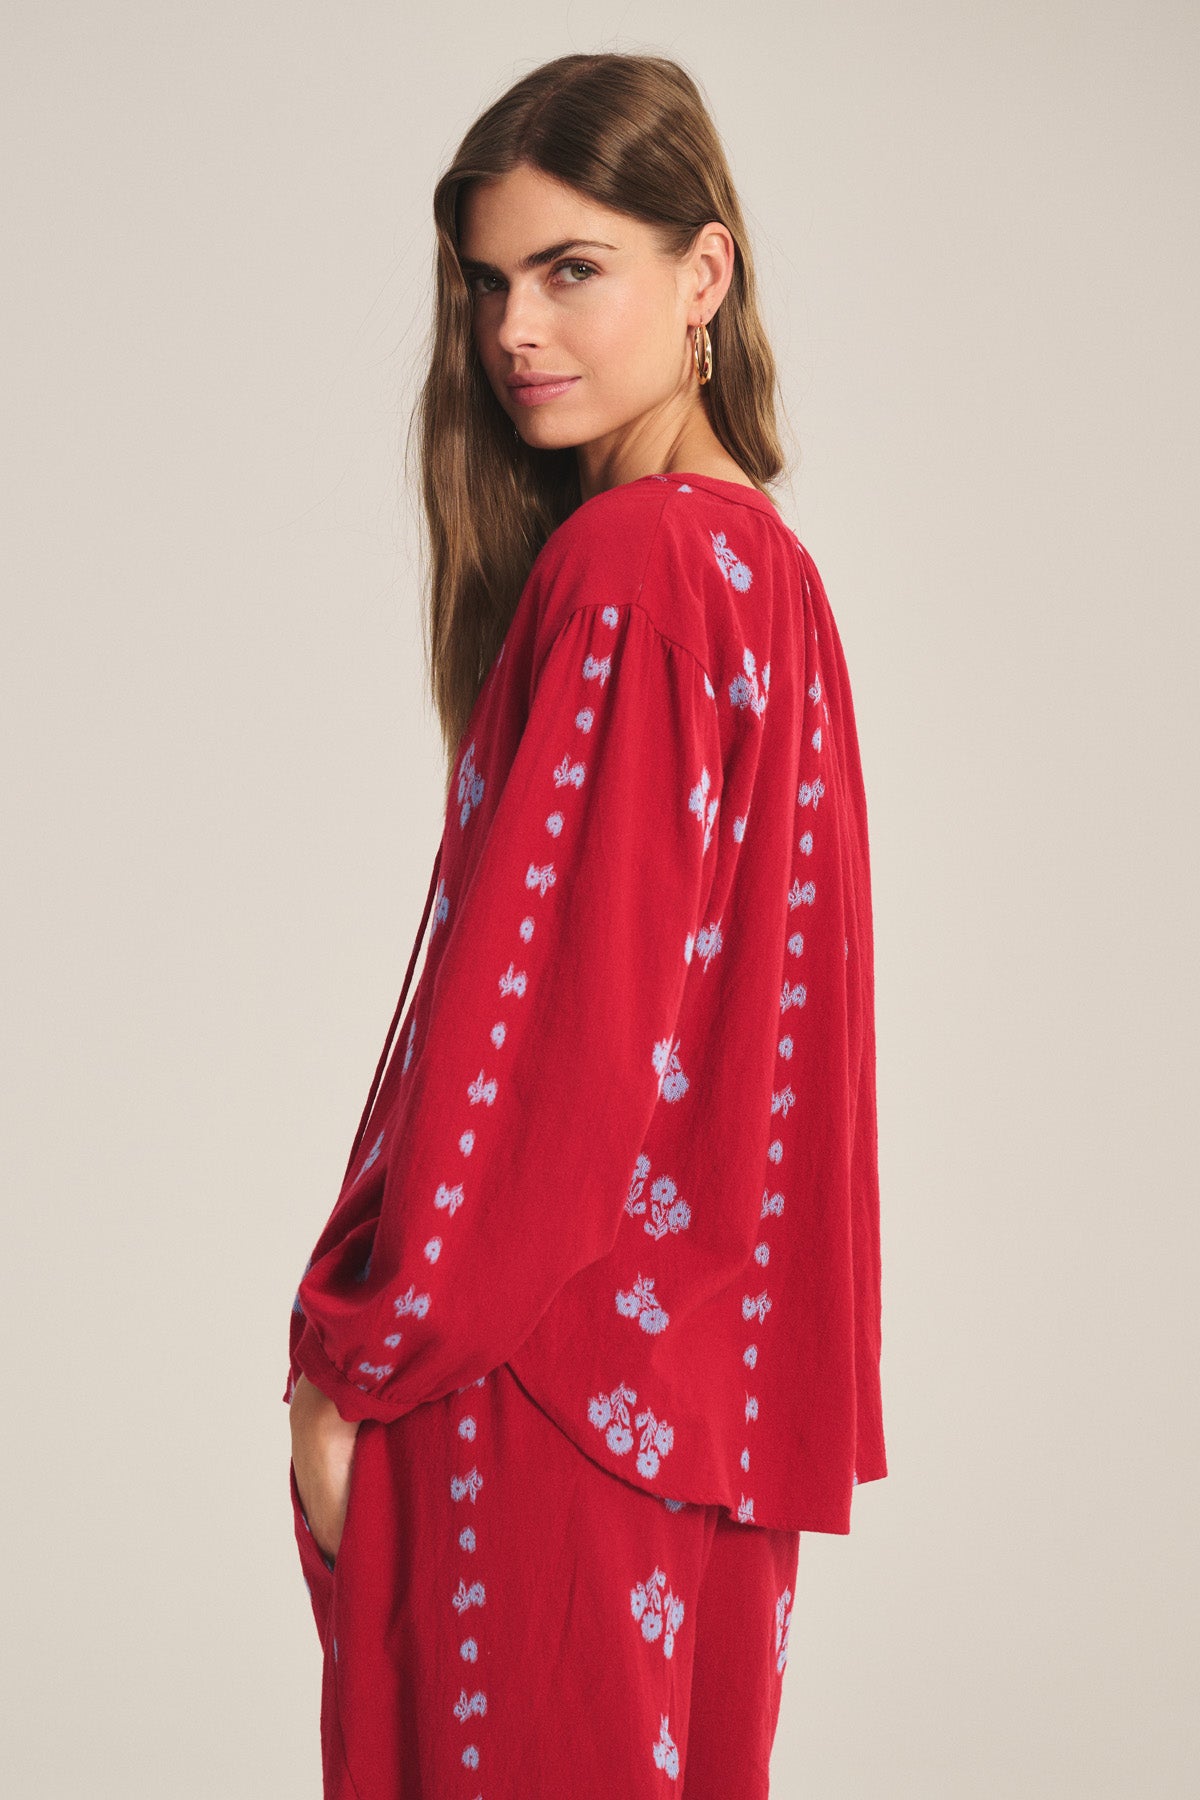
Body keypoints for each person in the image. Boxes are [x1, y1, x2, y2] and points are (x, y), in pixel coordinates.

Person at [282, 50, 886, 1800]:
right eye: (490, 283)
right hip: (693, 1417)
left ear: (704, 275)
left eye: (572, 270)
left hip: (535, 1391)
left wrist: (362, 1358)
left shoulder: (628, 567)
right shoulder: (764, 574)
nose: (516, 331)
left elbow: (550, 1026)